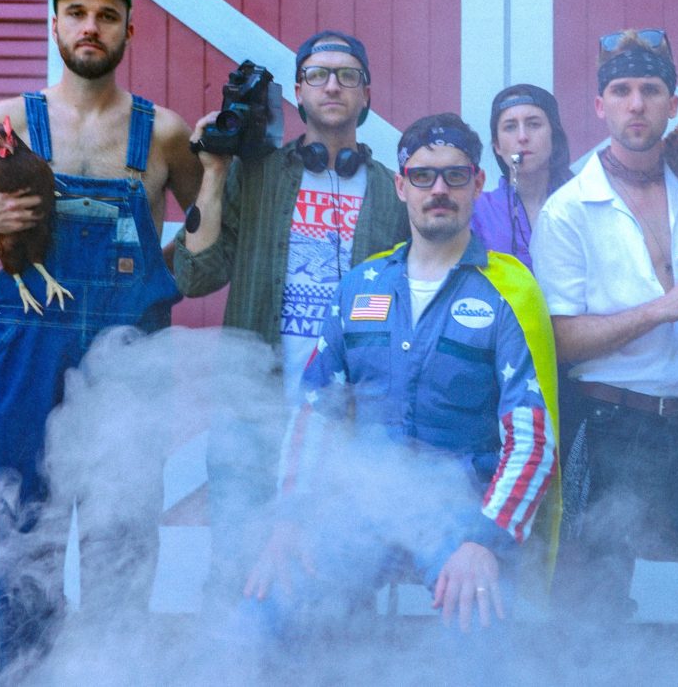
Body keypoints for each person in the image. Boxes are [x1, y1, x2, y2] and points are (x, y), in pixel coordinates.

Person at [239, 112, 558, 671]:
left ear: (478, 183)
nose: (439, 190)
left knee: (479, 637)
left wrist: (485, 540)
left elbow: (532, 440)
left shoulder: (509, 292)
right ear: (401, 184)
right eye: (424, 175)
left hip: (462, 514)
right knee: (262, 610)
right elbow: (315, 413)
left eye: (455, 176)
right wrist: (289, 519)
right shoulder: (360, 285)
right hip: (363, 504)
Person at [0, 0, 200, 678]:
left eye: (107, 14)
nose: (90, 27)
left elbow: (208, 245)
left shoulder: (164, 134)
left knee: (122, 537)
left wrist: (222, 171)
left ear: (131, 29)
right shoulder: (3, 122)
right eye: (76, 13)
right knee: (26, 535)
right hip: (25, 352)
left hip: (127, 359)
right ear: (55, 24)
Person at [530, 28, 678, 685]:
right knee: (594, 608)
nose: (636, 103)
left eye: (650, 89)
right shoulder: (568, 209)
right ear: (599, 105)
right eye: (621, 90)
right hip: (612, 424)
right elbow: (561, 339)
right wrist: (663, 308)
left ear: (673, 103)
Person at [173, 30, 410, 603]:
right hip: (252, 416)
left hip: (347, 424)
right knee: (236, 576)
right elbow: (195, 275)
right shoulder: (255, 176)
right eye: (318, 75)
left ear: (367, 94)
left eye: (348, 75)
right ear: (298, 92)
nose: (333, 85)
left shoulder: (392, 193)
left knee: (343, 584)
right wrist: (214, 170)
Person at [471, 84, 573, 270]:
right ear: (497, 146)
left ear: (554, 136)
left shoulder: (580, 203)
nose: (523, 137)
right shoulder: (478, 211)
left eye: (534, 124)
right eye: (510, 127)